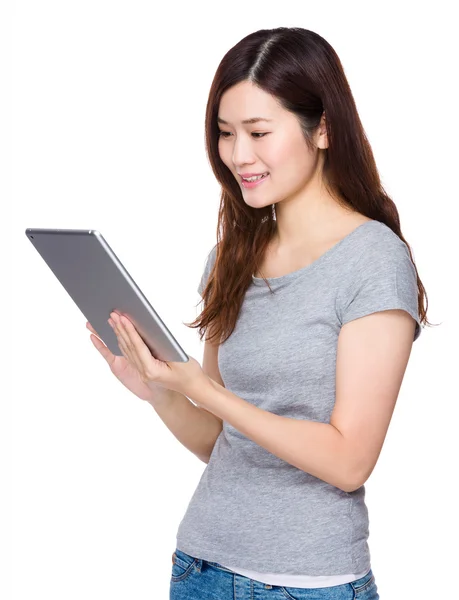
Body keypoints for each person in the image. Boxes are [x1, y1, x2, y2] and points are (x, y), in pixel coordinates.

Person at [88, 27, 432, 599]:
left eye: (258, 132)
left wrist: (207, 388)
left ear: (322, 128)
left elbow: (351, 460)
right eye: (225, 134)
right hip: (201, 567)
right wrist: (162, 391)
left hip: (306, 583)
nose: (237, 155)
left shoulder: (373, 260)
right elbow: (223, 442)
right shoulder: (232, 256)